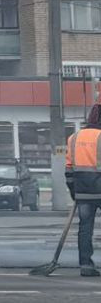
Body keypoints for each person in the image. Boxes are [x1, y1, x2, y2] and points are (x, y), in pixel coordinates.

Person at [68, 103, 101, 277]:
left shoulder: (74, 138)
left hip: (82, 192)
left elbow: (68, 170)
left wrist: (74, 192)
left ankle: (86, 265)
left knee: (85, 228)